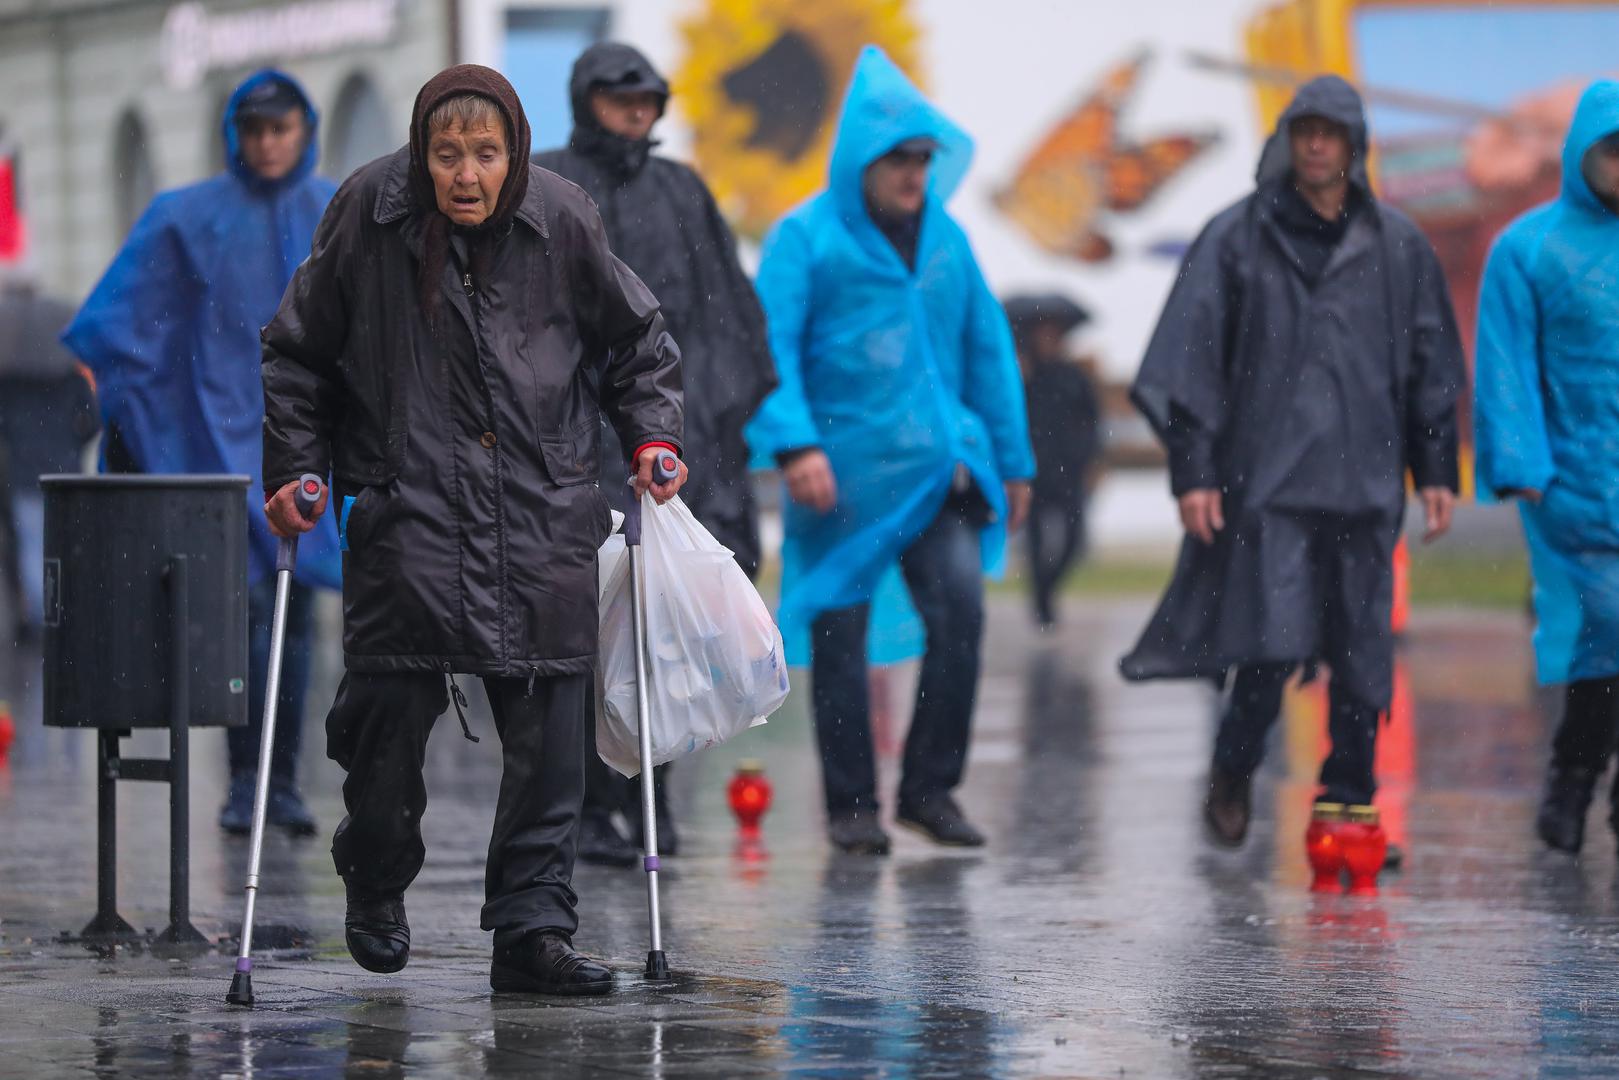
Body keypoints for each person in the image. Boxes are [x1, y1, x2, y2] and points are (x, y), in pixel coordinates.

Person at [260, 65, 683, 995]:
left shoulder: (560, 216)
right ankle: (375, 876)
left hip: (541, 513)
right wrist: (296, 467)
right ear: (421, 153)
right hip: (408, 511)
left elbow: (636, 341)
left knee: (549, 744)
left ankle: (532, 932)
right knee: (383, 721)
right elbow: (297, 354)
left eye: (485, 154)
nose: (466, 174)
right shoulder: (368, 212)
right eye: (447, 154)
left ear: (512, 154)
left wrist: (652, 436)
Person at [1119, 76, 1464, 850]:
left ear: (1353, 145)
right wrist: (1193, 471)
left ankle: (1349, 808)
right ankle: (1232, 767)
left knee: (1361, 655)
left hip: (1364, 483)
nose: (1314, 143)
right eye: (1303, 129)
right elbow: (1190, 359)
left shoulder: (1397, 246)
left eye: (1329, 131)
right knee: (1268, 648)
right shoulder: (1235, 238)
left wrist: (1435, 468)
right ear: (1285, 138)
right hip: (1267, 486)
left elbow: (1429, 362)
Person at [746, 47, 1035, 856]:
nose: (913, 173)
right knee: (840, 639)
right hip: (838, 480)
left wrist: (1013, 461)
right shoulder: (803, 238)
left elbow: (987, 351)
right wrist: (795, 444)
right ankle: (850, 807)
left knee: (961, 615)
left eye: (922, 158)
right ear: (860, 159)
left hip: (940, 473)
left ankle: (928, 791)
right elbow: (769, 349)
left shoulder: (948, 241)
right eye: (898, 157)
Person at [62, 70, 343, 836]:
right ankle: (250, 781)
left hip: (303, 444)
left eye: (280, 129)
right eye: (255, 130)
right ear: (234, 134)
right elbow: (132, 323)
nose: (268, 143)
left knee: (292, 620)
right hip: (218, 448)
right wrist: (139, 420)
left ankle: (277, 783)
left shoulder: (332, 211)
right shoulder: (188, 216)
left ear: (303, 130)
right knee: (249, 618)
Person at [534, 41, 776, 867]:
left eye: (647, 100)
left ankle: (651, 796)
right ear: (586, 100)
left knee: (664, 637)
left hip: (669, 447)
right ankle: (585, 806)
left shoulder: (681, 191)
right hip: (571, 451)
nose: (635, 113)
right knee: (582, 634)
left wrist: (700, 426)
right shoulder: (551, 183)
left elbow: (726, 320)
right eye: (619, 98)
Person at [1474, 81, 1619, 856]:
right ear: (1581, 153)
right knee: (1603, 638)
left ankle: (1585, 781)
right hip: (1573, 484)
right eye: (1612, 150)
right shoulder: (1526, 249)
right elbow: (1504, 363)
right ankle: (1572, 772)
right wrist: (1520, 462)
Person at [0, 269, 98, 636]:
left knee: (32, 545)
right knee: (69, 544)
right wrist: (74, 442)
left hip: (26, 472)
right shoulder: (68, 376)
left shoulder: (10, 382)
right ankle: (72, 614)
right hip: (67, 471)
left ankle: (44, 620)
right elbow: (92, 419)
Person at [1002, 293, 1103, 630]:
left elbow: (1092, 422)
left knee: (1073, 540)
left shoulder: (1074, 377)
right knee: (1034, 542)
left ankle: (1046, 590)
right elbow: (1008, 418)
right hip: (1032, 473)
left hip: (1069, 472)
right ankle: (1040, 601)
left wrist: (1093, 462)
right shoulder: (1023, 377)